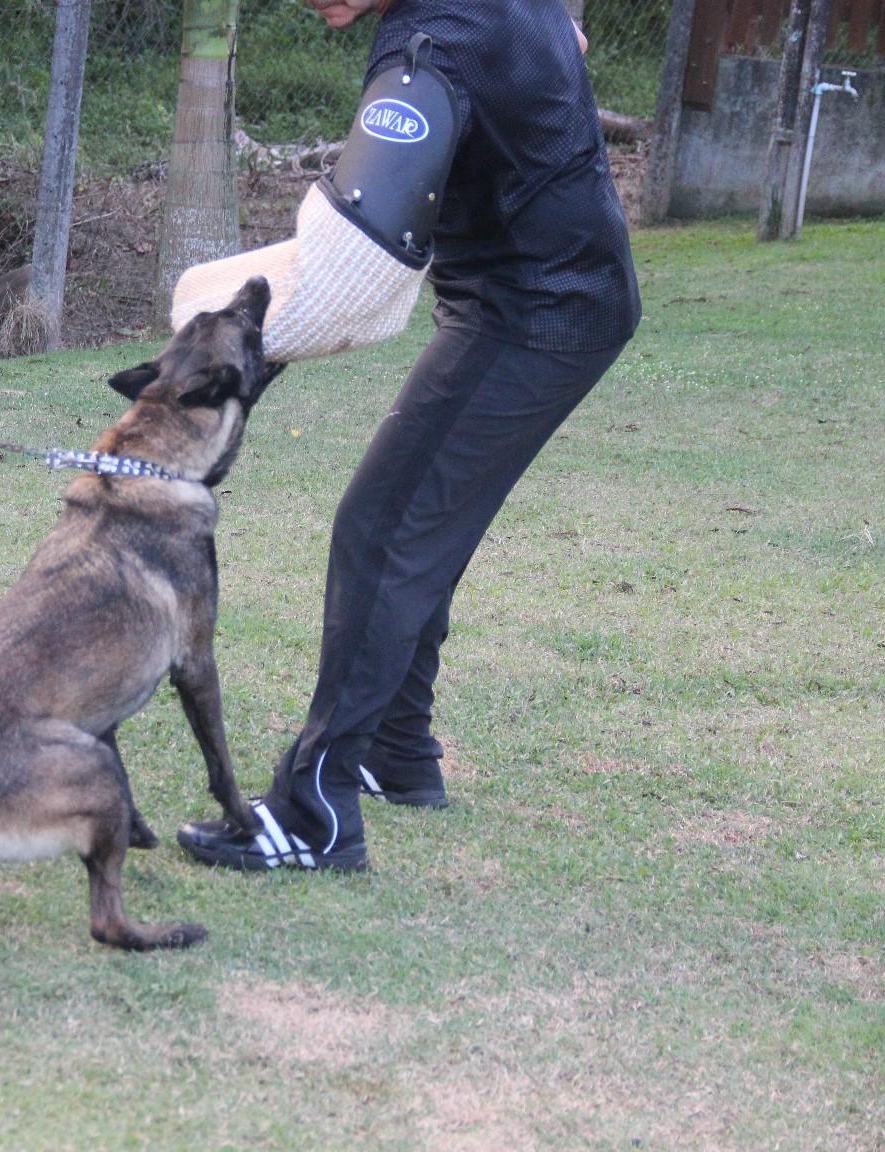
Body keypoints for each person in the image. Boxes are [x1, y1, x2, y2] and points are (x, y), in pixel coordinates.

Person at [177, 0, 642, 872]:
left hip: (537, 310)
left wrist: (225, 344)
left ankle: (315, 811)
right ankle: (399, 751)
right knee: (422, 524)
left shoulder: (430, 46)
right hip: (543, 296)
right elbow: (563, 37)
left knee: (383, 529)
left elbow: (357, 264)